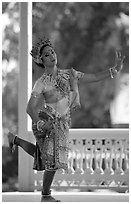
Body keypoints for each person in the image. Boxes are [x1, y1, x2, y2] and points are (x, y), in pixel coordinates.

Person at [7, 37, 125, 202]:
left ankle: (16, 140)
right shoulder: (41, 83)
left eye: (52, 52)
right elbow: (29, 108)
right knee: (53, 161)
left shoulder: (70, 74)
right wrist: (41, 124)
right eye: (47, 55)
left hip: (62, 123)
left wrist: (114, 70)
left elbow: (94, 76)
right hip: (47, 122)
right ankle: (45, 196)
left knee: (43, 157)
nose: (52, 56)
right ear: (40, 60)